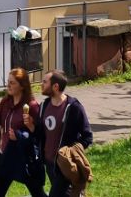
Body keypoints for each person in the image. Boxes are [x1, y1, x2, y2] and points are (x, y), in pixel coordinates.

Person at [0, 68, 47, 197]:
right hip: (5, 156)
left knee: (37, 193)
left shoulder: (32, 105)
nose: (8, 85)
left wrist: (26, 129)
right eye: (8, 82)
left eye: (12, 83)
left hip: (23, 157)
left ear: (22, 86)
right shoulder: (5, 102)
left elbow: (39, 134)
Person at [37, 69, 93, 197]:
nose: (42, 84)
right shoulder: (44, 106)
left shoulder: (73, 107)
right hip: (50, 164)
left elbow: (87, 136)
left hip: (65, 164)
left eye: (45, 82)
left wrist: (71, 153)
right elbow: (40, 134)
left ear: (55, 86)